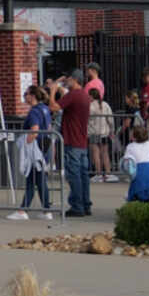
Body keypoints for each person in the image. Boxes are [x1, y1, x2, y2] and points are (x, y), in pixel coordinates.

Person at [47, 69, 91, 217]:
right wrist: (59, 84)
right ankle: (85, 204)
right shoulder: (83, 95)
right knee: (83, 175)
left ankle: (77, 206)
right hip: (82, 141)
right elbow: (67, 97)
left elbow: (53, 107)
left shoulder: (74, 95)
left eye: (70, 79)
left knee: (74, 175)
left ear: (75, 80)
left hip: (72, 140)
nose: (68, 81)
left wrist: (53, 91)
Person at [8, 86, 52, 220]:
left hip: (35, 149)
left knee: (32, 180)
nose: (24, 96)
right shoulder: (45, 109)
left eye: (25, 94)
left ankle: (23, 210)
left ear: (32, 96)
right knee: (39, 180)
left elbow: (34, 130)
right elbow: (49, 128)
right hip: (44, 147)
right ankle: (46, 210)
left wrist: (25, 144)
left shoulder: (33, 112)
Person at [88, 88, 116, 184]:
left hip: (94, 132)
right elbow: (110, 119)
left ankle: (98, 174)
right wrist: (112, 130)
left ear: (91, 96)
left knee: (96, 153)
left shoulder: (90, 106)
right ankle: (108, 173)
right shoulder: (105, 105)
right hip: (105, 132)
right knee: (105, 153)